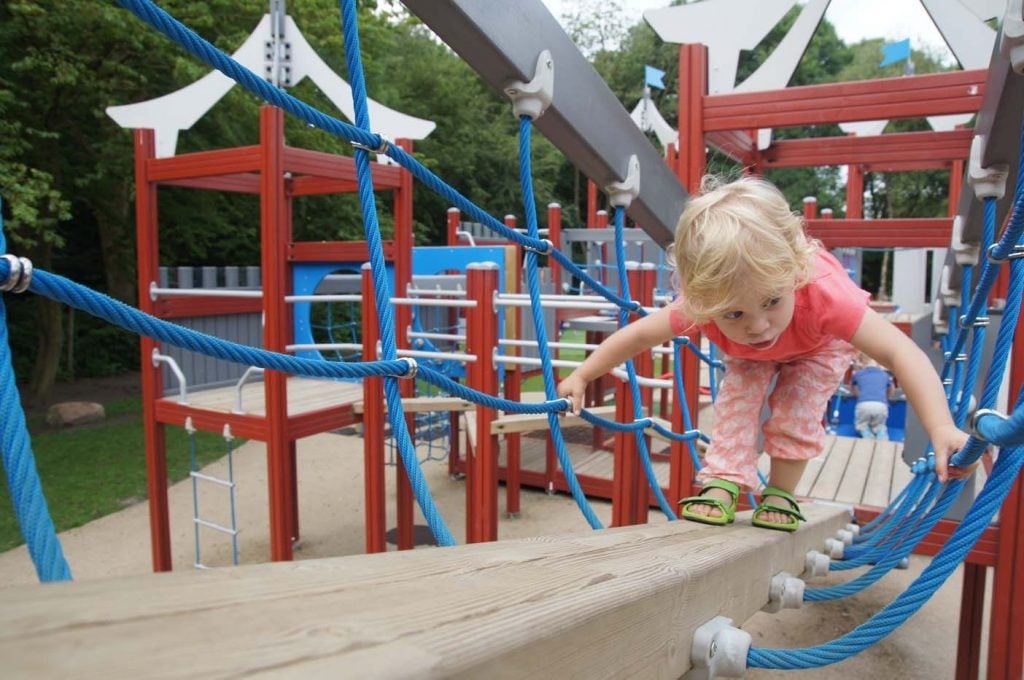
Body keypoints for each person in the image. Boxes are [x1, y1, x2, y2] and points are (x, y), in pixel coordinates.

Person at [556, 175, 971, 532]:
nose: (756, 325)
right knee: (737, 401)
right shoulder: (705, 302)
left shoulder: (827, 296)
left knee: (798, 408)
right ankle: (722, 481)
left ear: (794, 274)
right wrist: (584, 374)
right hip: (750, 357)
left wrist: (941, 427)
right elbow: (638, 336)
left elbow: (901, 352)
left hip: (817, 345)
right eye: (734, 313)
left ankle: (781, 494)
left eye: (772, 301)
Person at [850, 355, 895, 440]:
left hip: (864, 404)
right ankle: (881, 433)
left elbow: (852, 386)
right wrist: (886, 398)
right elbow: (891, 388)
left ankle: (866, 433)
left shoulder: (858, 374)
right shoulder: (884, 374)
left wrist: (858, 396)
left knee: (862, 424)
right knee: (880, 424)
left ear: (862, 364)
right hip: (881, 405)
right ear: (878, 364)